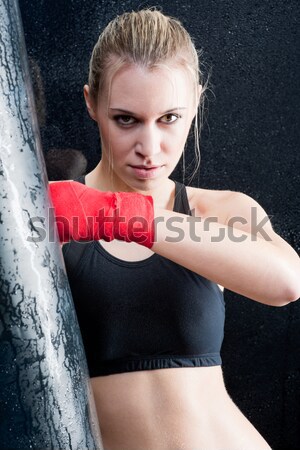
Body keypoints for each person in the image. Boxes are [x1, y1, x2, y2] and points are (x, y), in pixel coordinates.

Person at [50, 9, 300, 449]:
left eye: (169, 118)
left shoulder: (216, 210)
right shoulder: (55, 213)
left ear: (196, 104)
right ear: (91, 103)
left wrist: (115, 214)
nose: (150, 148)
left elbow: (287, 282)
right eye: (126, 119)